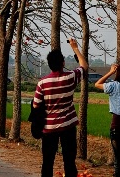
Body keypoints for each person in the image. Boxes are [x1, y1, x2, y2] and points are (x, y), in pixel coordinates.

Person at [32, 38, 88, 177]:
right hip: (68, 126)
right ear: (63, 63)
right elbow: (84, 66)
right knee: (69, 161)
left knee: (47, 162)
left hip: (49, 128)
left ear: (50, 65)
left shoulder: (42, 83)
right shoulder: (70, 77)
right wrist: (75, 48)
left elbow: (35, 105)